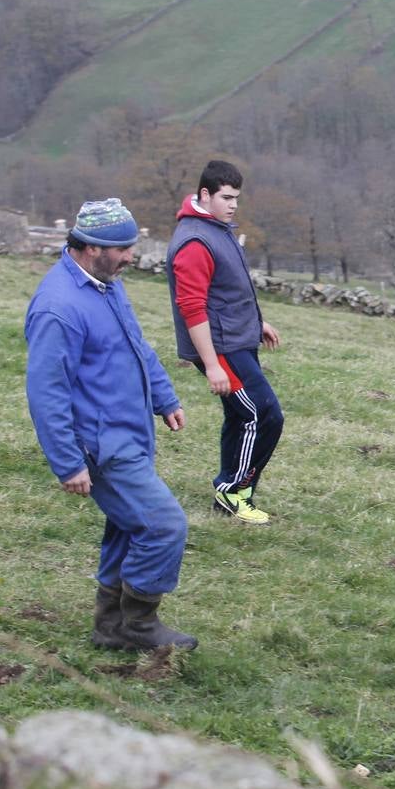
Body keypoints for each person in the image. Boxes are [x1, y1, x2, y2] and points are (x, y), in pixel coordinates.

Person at [25, 198, 198, 651]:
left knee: (129, 525)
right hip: (101, 447)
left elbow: (137, 345)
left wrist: (164, 397)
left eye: (130, 246)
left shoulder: (105, 284)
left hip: (130, 432)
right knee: (163, 526)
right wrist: (68, 463)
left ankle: (110, 629)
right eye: (119, 249)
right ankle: (139, 624)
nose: (129, 257)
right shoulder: (58, 308)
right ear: (87, 247)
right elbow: (47, 393)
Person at [167, 160, 283, 525]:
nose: (233, 205)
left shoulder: (216, 229)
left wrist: (256, 322)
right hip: (220, 348)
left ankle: (229, 490)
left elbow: (226, 290)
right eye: (226, 197)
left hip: (236, 339)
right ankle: (233, 492)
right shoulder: (194, 242)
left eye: (237, 198)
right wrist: (213, 364)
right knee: (263, 414)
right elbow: (192, 306)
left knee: (242, 414)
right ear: (205, 194)